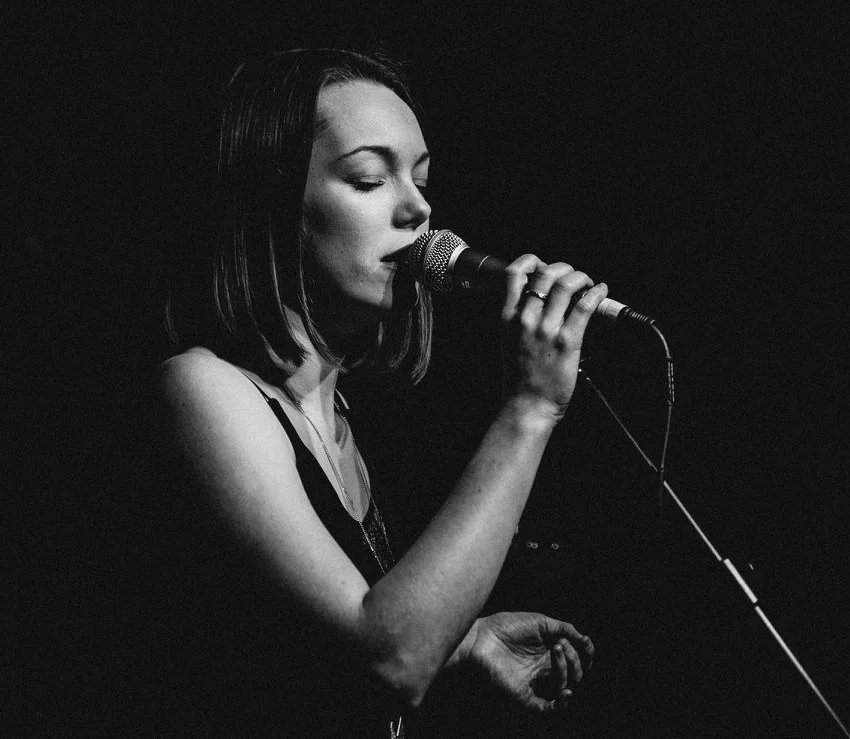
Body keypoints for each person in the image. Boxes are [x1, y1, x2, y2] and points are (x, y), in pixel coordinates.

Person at [155, 47, 605, 736]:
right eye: (369, 178)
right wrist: (532, 408)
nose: (418, 207)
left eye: (421, 179)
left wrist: (463, 640)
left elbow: (313, 653)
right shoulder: (202, 389)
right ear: (274, 204)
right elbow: (392, 656)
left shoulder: (342, 418)